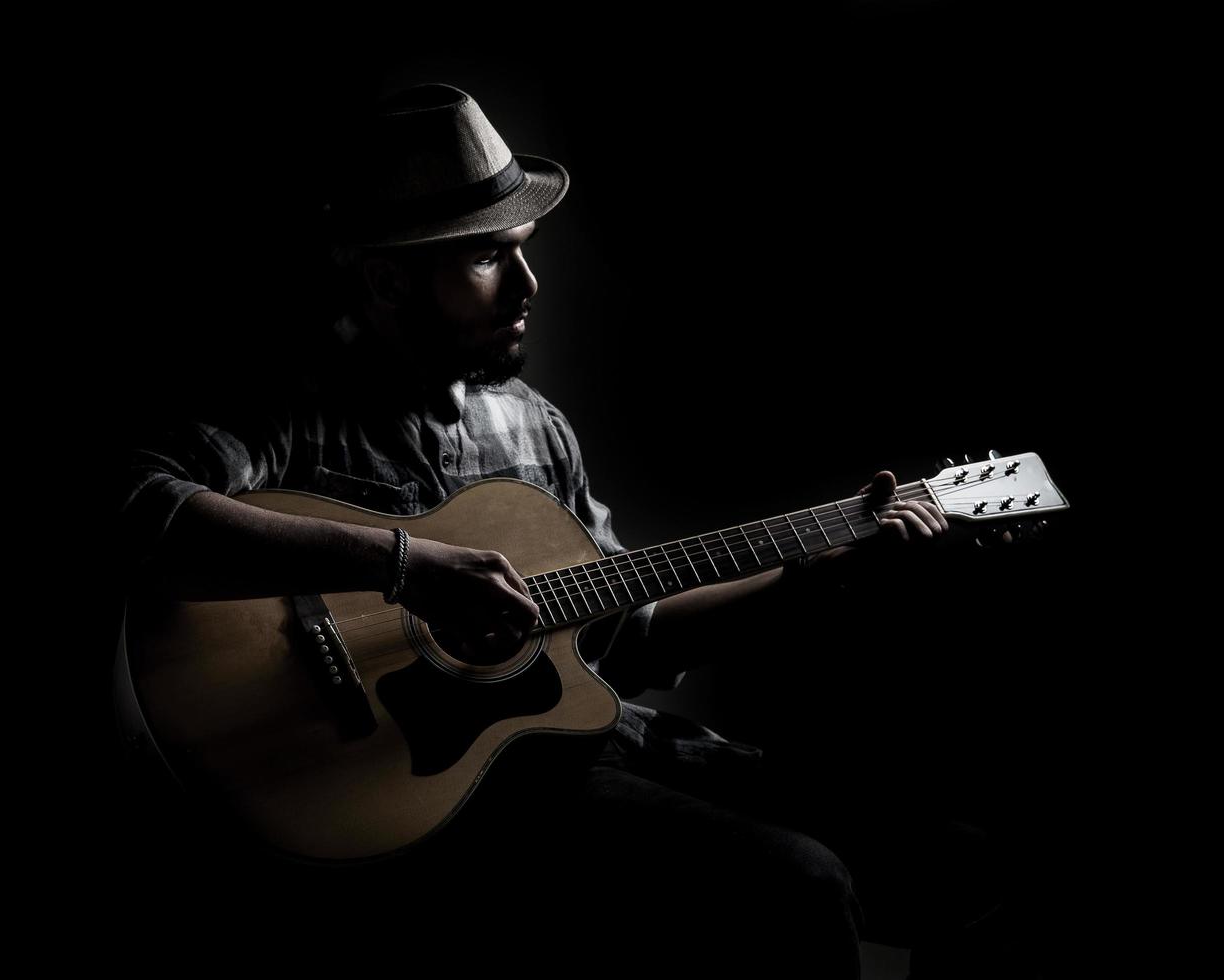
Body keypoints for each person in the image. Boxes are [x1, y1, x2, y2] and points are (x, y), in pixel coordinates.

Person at [114, 83, 986, 977]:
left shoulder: (533, 426)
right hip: (440, 795)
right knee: (798, 883)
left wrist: (815, 580)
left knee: (960, 861)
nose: (526, 285)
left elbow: (621, 635)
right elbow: (128, 508)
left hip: (590, 746)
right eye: (489, 257)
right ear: (385, 280)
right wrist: (404, 563)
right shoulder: (288, 410)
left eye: (523, 252)